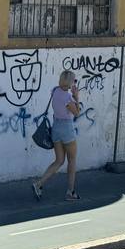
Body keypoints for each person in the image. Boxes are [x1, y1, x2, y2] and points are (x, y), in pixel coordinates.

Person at [32, 70, 82, 201]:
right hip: (67, 129)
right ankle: (70, 192)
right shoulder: (68, 98)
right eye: (74, 81)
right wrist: (77, 97)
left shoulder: (54, 91)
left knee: (59, 161)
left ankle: (39, 184)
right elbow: (77, 113)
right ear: (71, 82)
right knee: (71, 161)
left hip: (56, 128)